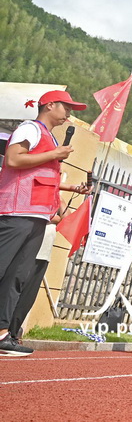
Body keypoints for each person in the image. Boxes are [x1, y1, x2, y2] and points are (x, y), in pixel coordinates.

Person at [0, 89, 91, 356]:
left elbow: (39, 174)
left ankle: (3, 332)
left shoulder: (49, 137)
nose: (69, 113)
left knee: (17, 276)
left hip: (37, 216)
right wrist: (54, 155)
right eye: (66, 107)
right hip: (16, 212)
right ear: (50, 105)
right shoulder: (30, 129)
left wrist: (71, 188)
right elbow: (14, 159)